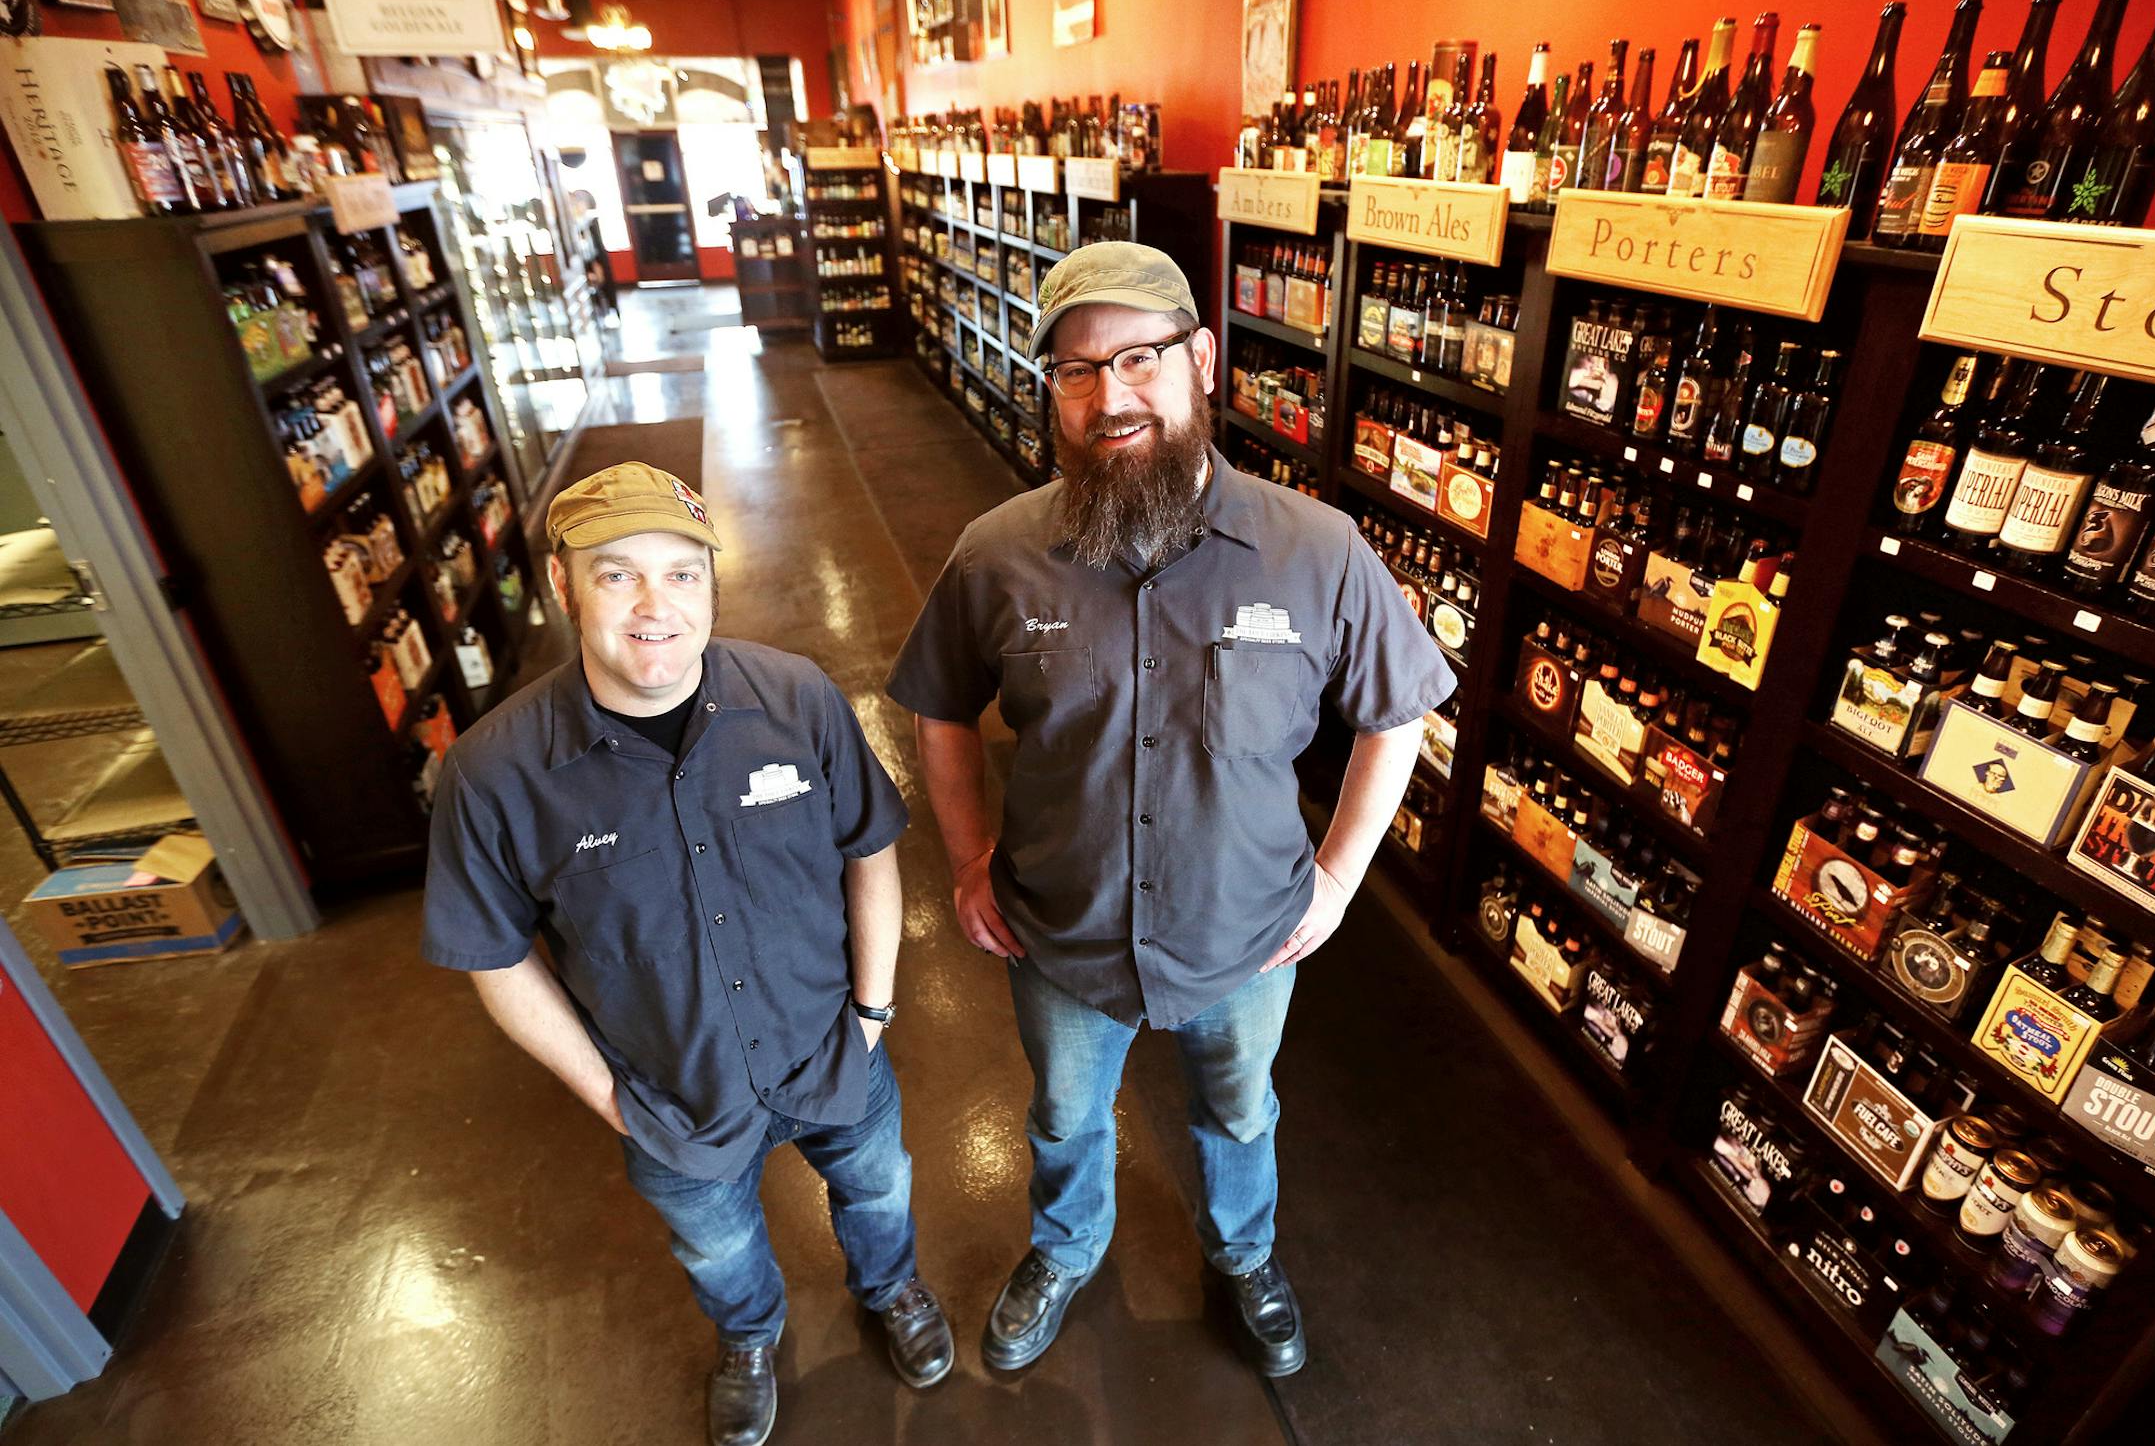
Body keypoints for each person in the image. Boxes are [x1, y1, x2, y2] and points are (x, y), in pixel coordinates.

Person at [887, 244, 1455, 1376]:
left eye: (1139, 358)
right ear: (1052, 386)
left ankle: (1243, 1253)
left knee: (1241, 1115)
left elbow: (1401, 713)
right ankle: (1068, 1245)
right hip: (1060, 930)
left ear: (1202, 360)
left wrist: (1338, 878)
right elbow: (937, 709)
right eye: (1076, 370)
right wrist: (964, 861)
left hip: (1249, 934)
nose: (1110, 396)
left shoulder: (1315, 549)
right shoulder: (996, 554)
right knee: (1061, 1118)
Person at [421, 463, 951, 1446]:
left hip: (833, 1051)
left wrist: (872, 1016)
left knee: (879, 1185)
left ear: (713, 579)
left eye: (684, 572)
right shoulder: (494, 775)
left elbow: (870, 851)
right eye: (617, 573)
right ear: (561, 584)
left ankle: (894, 1288)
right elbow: (495, 957)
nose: (656, 606)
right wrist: (611, 1097)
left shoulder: (796, 699)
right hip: (672, 1096)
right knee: (716, 1245)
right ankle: (750, 1336)